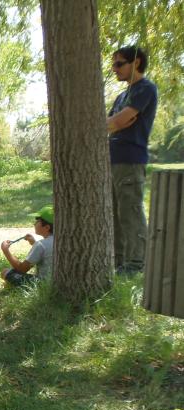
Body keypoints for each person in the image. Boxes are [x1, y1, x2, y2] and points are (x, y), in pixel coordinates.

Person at [107, 45, 158, 274]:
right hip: (112, 161)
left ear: (135, 63)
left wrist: (115, 124)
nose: (114, 69)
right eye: (113, 64)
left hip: (130, 160)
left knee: (130, 212)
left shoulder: (145, 89)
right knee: (114, 215)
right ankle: (119, 263)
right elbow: (108, 123)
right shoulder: (121, 96)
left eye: (119, 63)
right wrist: (113, 124)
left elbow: (119, 122)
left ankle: (137, 264)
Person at [1, 205, 54, 287]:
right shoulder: (61, 241)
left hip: (43, 285)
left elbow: (21, 269)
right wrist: (33, 243)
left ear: (47, 227)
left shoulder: (40, 245)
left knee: (5, 272)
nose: (34, 223)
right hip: (58, 282)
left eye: (37, 221)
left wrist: (6, 251)